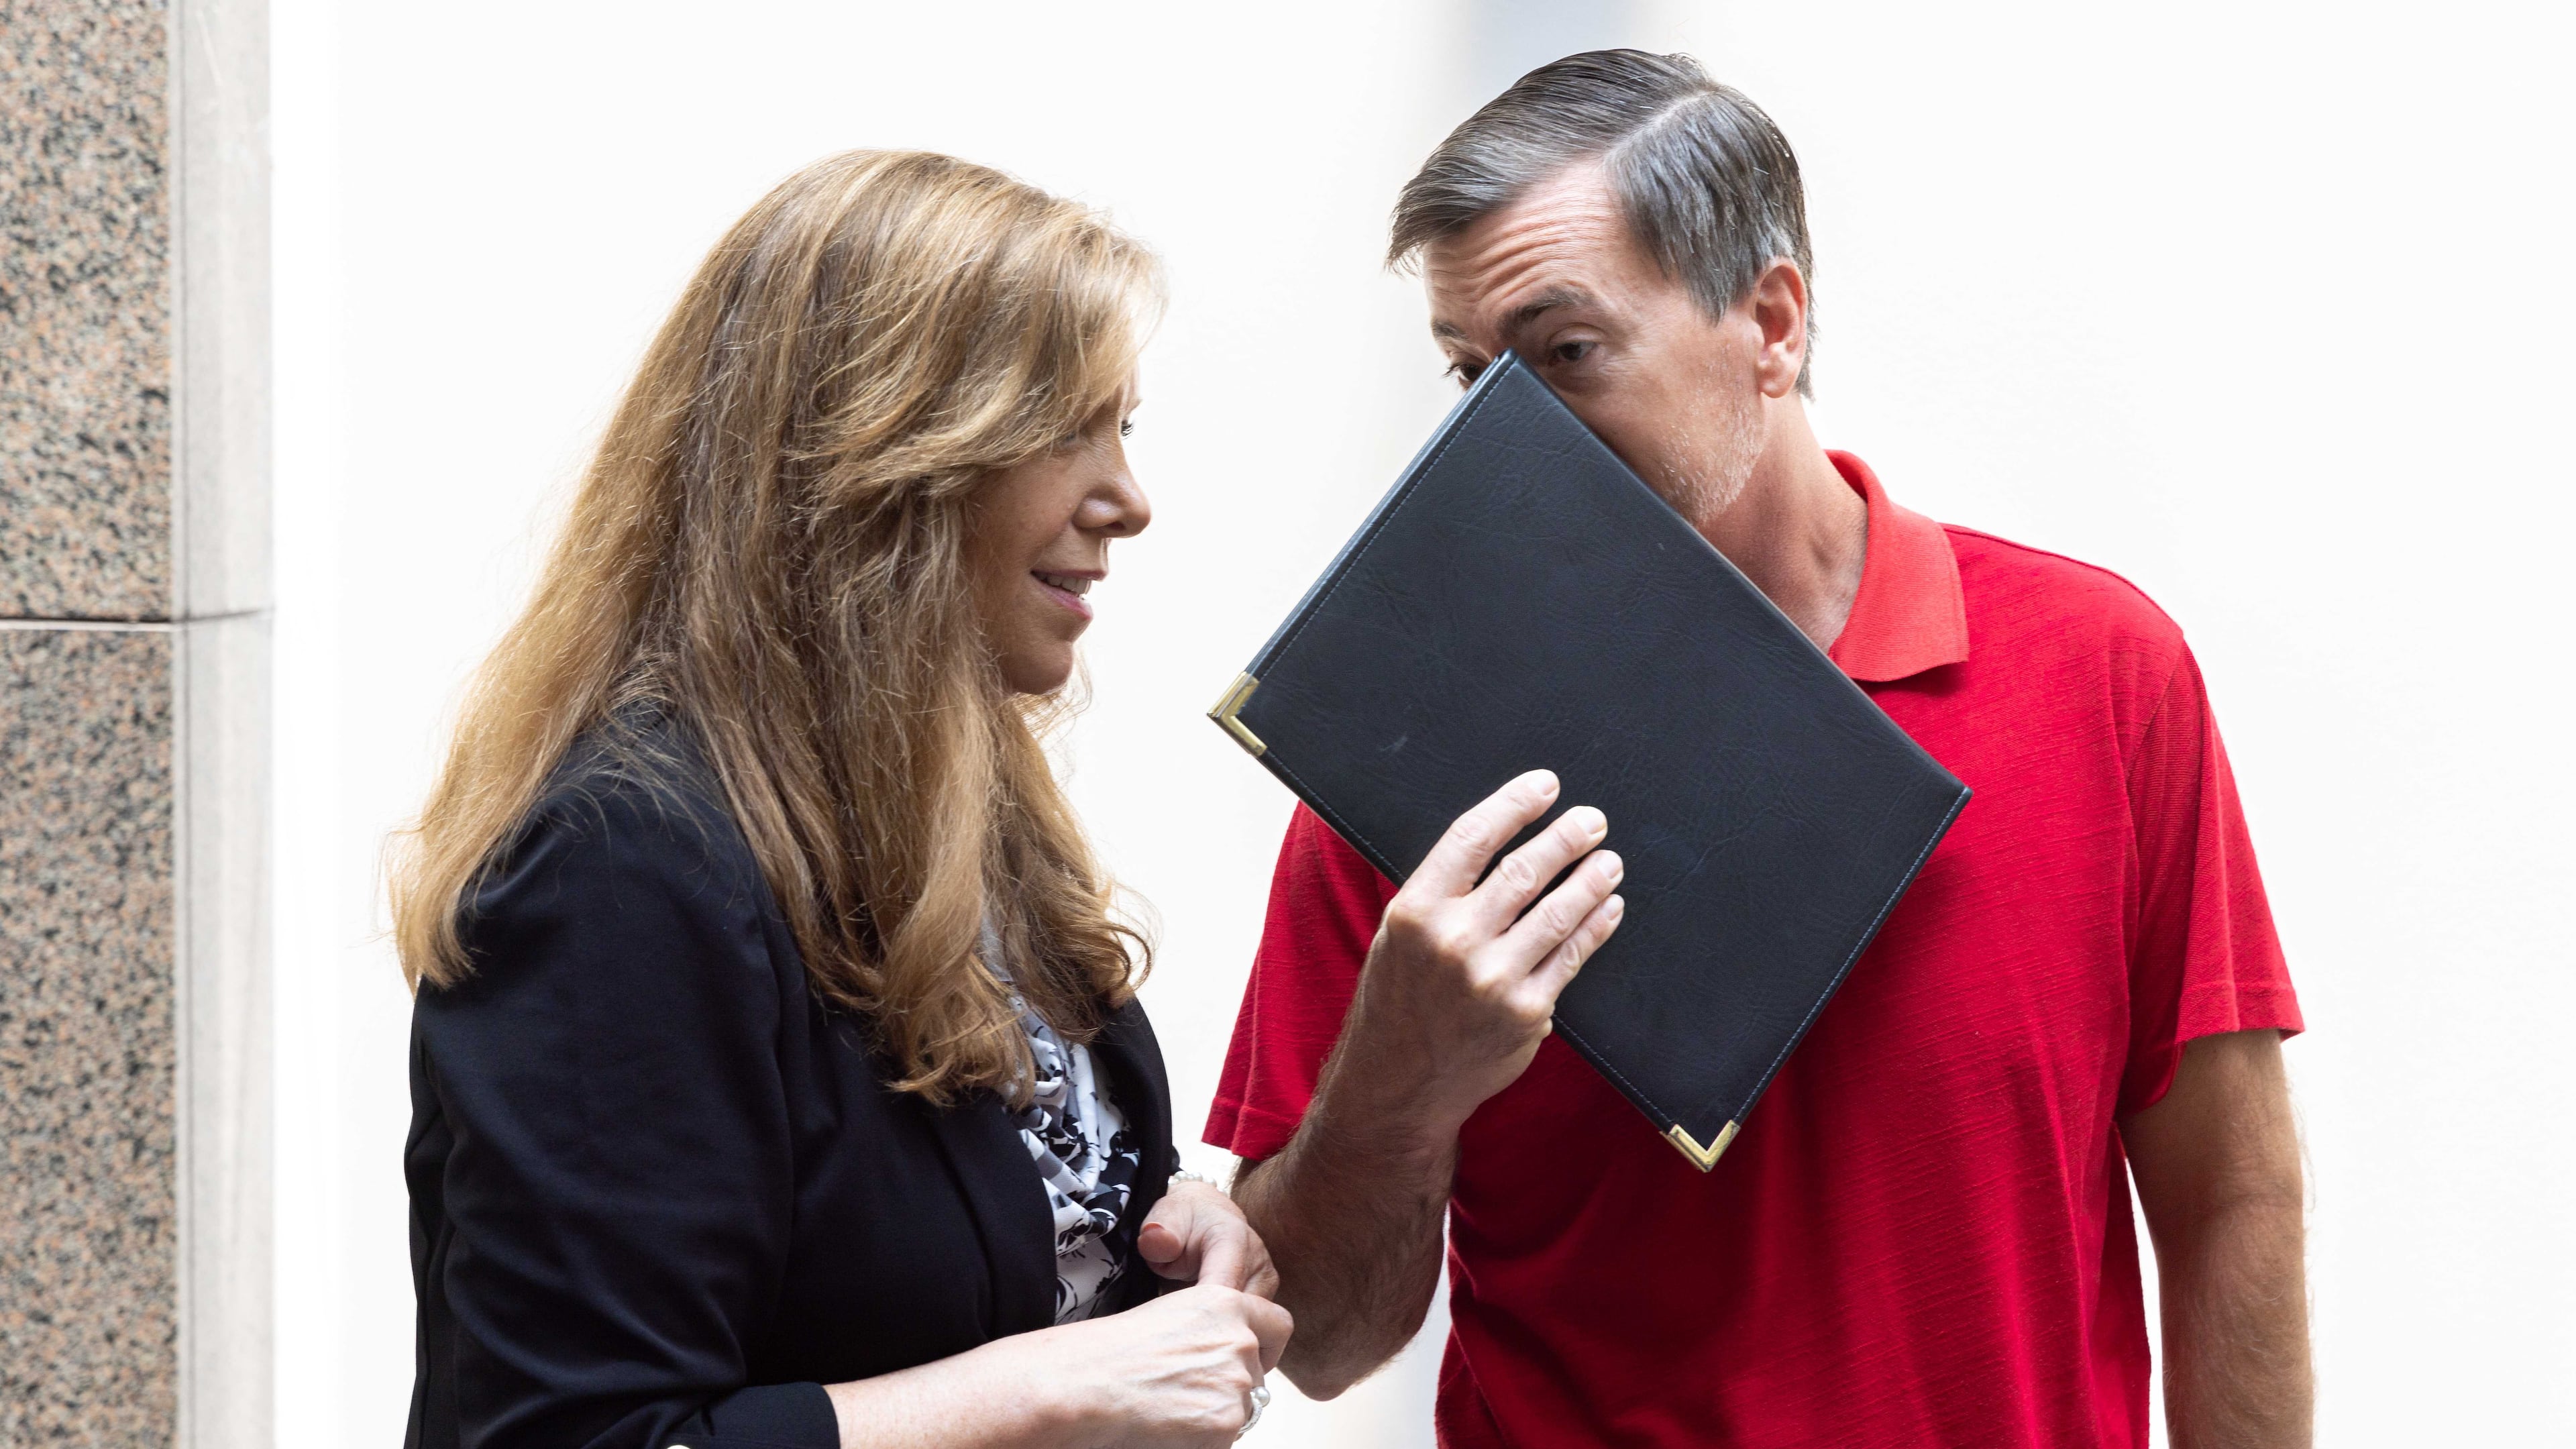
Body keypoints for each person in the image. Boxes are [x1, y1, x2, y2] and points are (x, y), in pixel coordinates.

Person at [1209, 50, 2312, 1449]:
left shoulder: (2101, 675)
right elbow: (1321, 1345)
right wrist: (1401, 1073)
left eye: (1564, 356)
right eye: (1469, 378)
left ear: (1772, 323)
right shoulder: (1405, 776)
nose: (1504, 440)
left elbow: (2231, 1201)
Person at [390, 150, 1293, 1449]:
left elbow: (961, 1253)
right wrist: (1062, 1385)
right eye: (1061, 429)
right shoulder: (619, 869)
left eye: (1124, 426)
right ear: (877, 458)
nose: (1129, 501)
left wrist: (1159, 1248)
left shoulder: (957, 812)